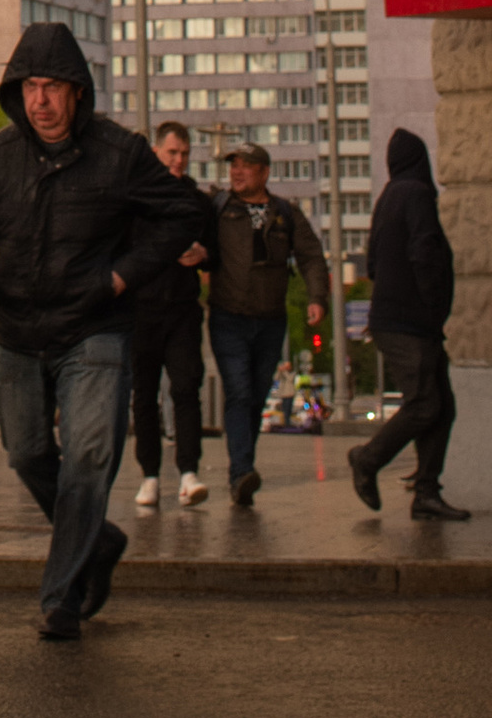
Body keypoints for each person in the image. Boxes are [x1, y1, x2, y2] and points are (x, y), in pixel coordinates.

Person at [0, 22, 195, 641]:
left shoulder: (119, 152)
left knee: (91, 456)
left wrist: (124, 277)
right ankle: (97, 542)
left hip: (95, 327)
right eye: (29, 87)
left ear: (77, 92)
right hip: (19, 329)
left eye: (52, 87)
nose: (39, 101)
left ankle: (62, 598)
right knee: (26, 453)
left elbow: (185, 212)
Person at [349, 127, 468, 521]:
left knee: (441, 407)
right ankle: (367, 460)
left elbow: (374, 261)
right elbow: (424, 252)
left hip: (404, 321)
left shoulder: (388, 198)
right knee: (425, 405)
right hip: (410, 322)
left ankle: (427, 492)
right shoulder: (416, 195)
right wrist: (434, 302)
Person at [208, 144, 329, 508]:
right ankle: (241, 472)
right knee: (240, 391)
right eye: (233, 167)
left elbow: (311, 257)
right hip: (228, 316)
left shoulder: (285, 214)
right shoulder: (218, 209)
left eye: (245, 166)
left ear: (264, 172)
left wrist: (316, 298)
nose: (237, 172)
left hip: (271, 321)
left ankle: (243, 467)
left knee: (257, 394)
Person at [127, 120, 214, 510]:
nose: (179, 160)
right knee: (143, 396)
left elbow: (216, 246)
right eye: (172, 153)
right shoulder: (135, 200)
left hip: (181, 310)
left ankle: (188, 473)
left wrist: (205, 254)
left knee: (185, 389)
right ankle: (149, 475)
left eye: (184, 154)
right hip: (140, 310)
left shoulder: (197, 201)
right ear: (156, 153)